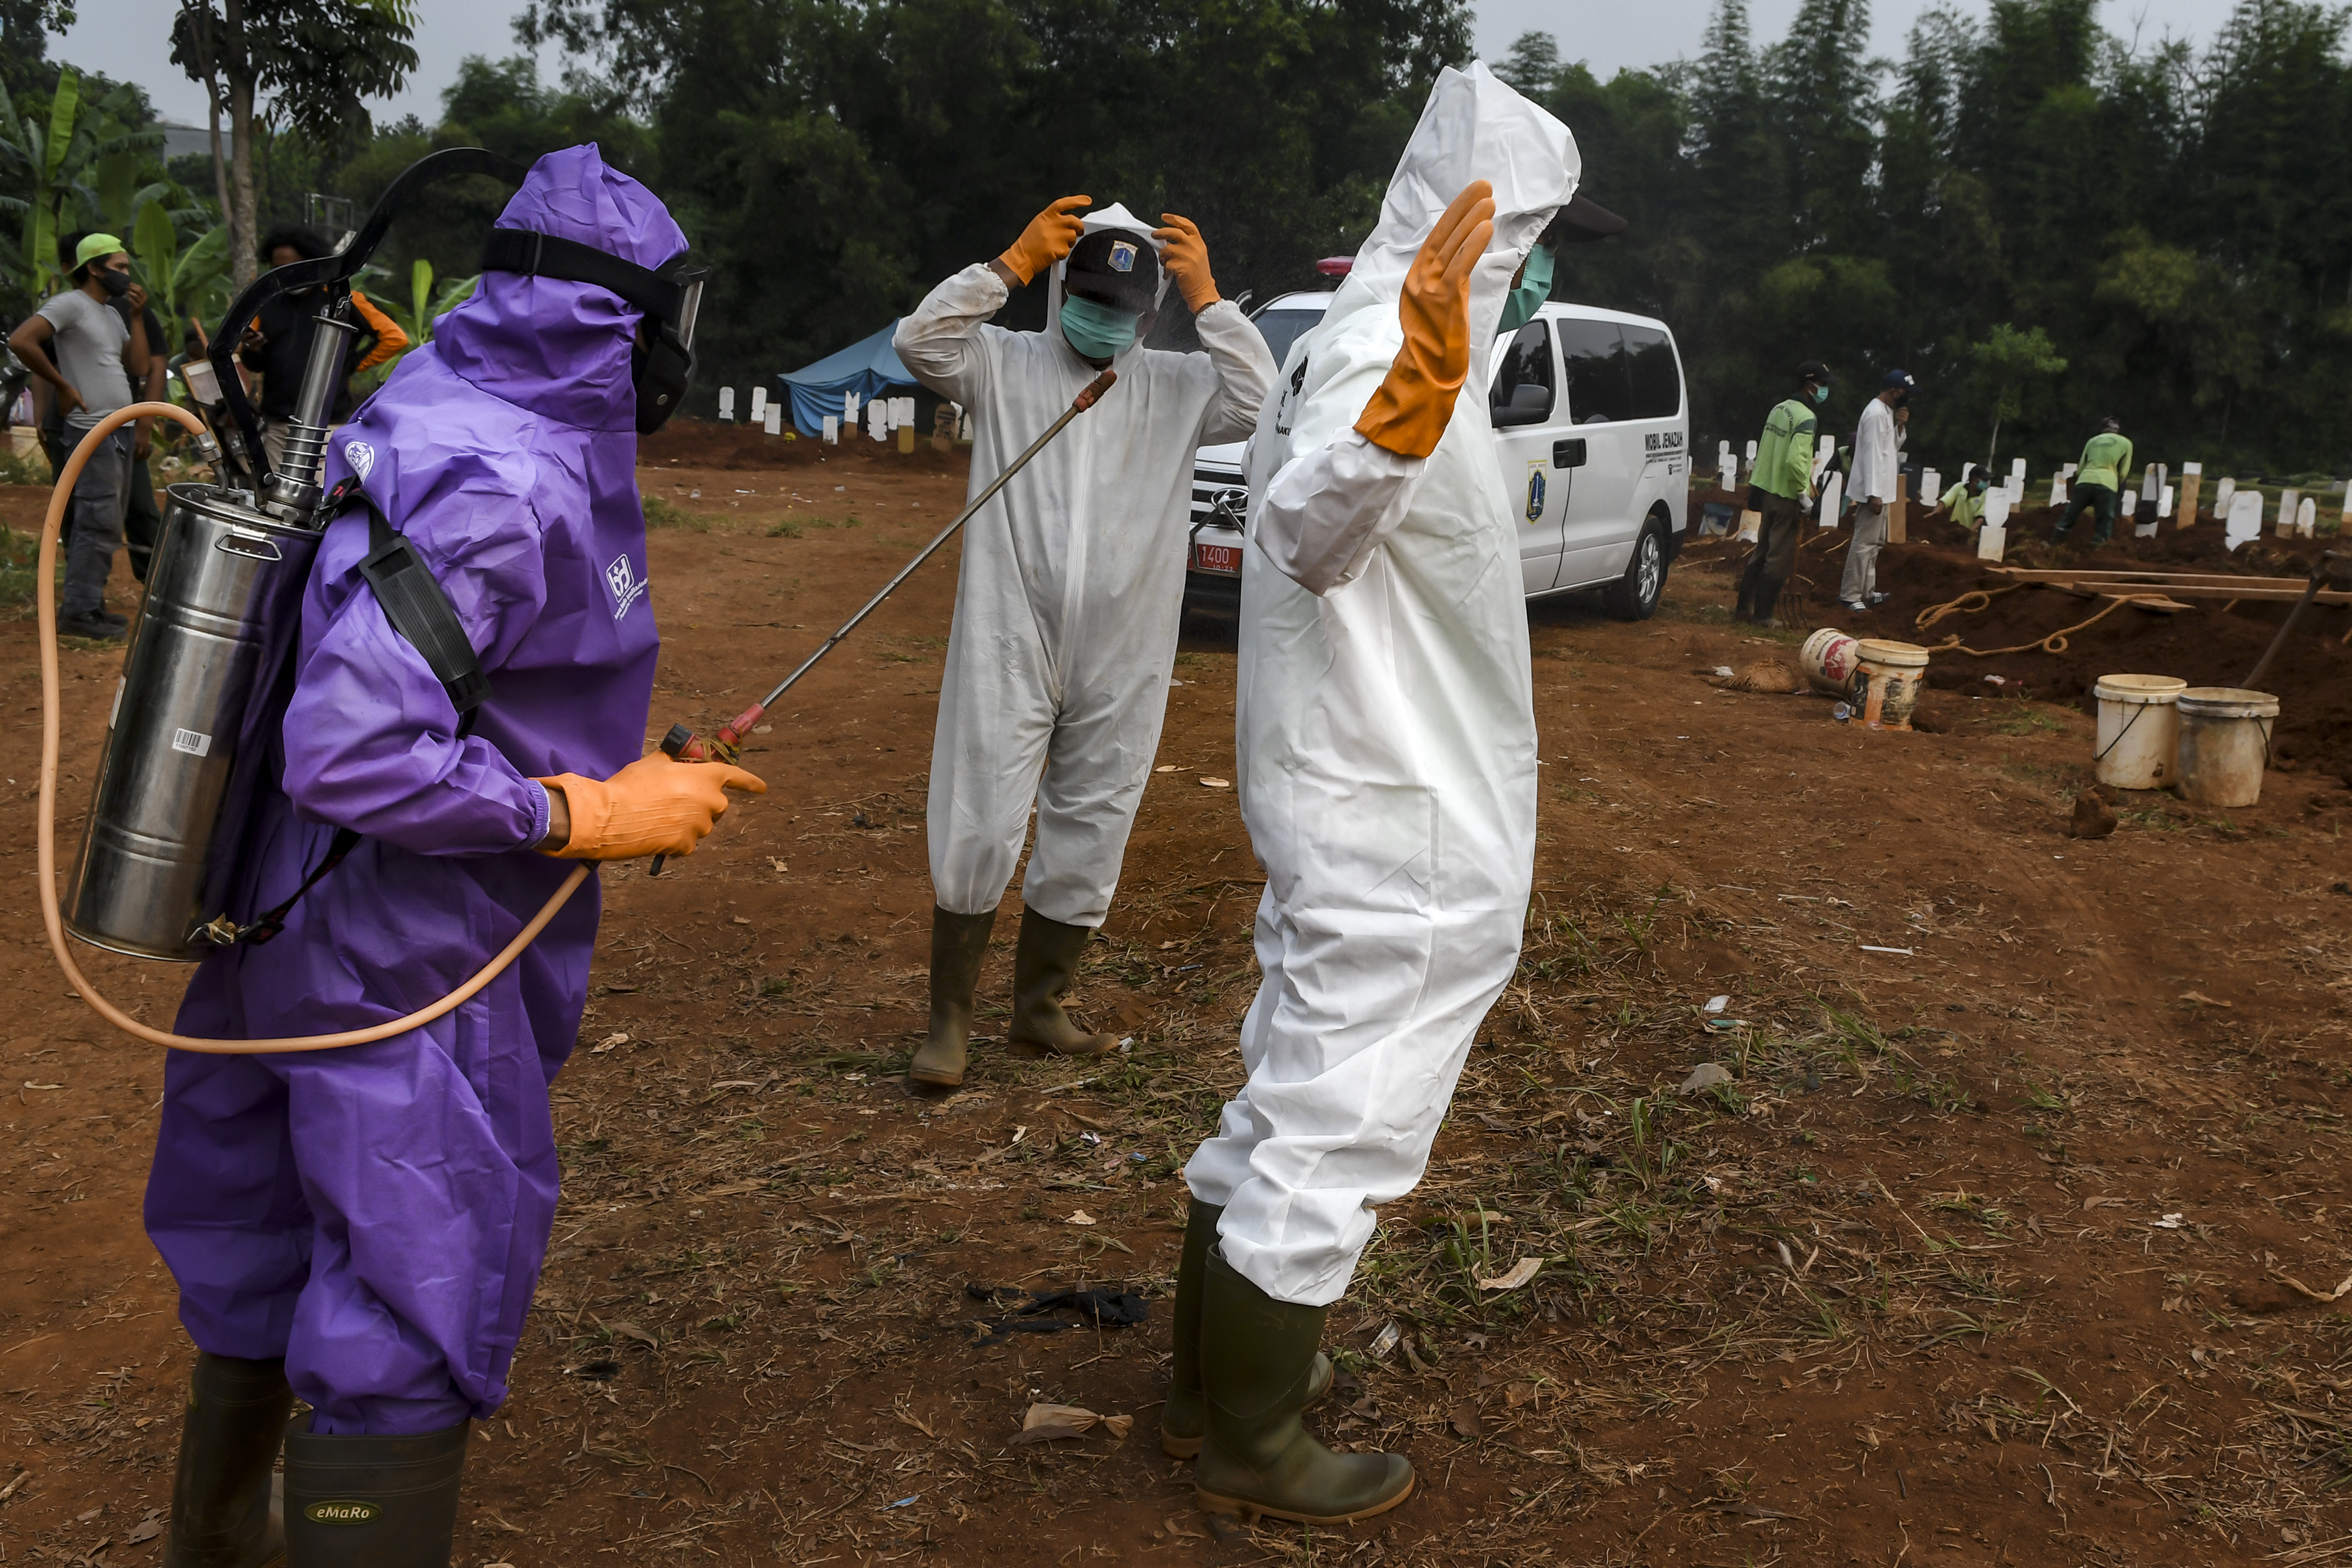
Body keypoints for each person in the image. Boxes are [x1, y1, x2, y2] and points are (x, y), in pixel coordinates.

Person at [143, 146, 761, 1568]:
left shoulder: (438, 398)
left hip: (284, 921)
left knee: (259, 1252)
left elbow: (468, 670)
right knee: (408, 1307)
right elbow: (354, 745)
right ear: (627, 322)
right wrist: (586, 817)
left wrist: (614, 771)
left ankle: (217, 1544)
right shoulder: (507, 477)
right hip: (407, 952)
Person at [1164, 62, 1576, 1527]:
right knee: (1336, 1124)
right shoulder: (1390, 346)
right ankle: (1255, 1439)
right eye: (1531, 236)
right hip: (1396, 813)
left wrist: (1425, 383)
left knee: (1283, 1095)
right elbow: (1300, 526)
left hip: (1351, 790)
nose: (1535, 268)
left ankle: (1210, 1382)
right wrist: (1410, 403)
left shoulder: (1386, 332)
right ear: (1484, 220)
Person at [893, 196, 1275, 1090]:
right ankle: (949, 1020)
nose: (1104, 319)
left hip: (1125, 645)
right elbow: (921, 342)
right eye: (1090, 297)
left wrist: (1210, 299)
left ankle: (1040, 1006)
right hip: (1010, 631)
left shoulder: (1177, 387)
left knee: (1096, 815)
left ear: (1149, 314)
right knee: (979, 811)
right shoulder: (1002, 363)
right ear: (1063, 288)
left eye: (1124, 309)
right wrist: (1008, 265)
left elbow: (1259, 399)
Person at [7, 233, 151, 638]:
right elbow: (21, 341)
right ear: (94, 268)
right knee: (96, 520)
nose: (126, 275)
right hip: (93, 430)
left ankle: (90, 605)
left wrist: (137, 317)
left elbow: (139, 366)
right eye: (119, 267)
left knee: (107, 522)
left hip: (119, 429)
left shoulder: (113, 315)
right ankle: (79, 612)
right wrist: (63, 386)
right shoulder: (70, 304)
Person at [238, 223, 409, 470]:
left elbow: (394, 337)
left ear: (312, 263)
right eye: (279, 268)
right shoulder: (268, 304)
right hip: (279, 424)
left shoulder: (341, 299)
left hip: (328, 424)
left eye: (294, 267)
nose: (287, 274)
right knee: (274, 489)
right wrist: (253, 349)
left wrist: (351, 364)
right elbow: (255, 362)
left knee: (320, 489)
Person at [1734, 361, 1829, 627]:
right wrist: (1803, 495)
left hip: (1766, 491)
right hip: (1787, 495)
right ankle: (1763, 615)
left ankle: (1743, 609)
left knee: (1762, 549)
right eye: (1822, 385)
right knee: (1778, 557)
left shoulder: (1778, 409)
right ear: (1810, 386)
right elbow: (1796, 461)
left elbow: (1769, 450)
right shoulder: (1806, 418)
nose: (1825, 390)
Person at [1839, 368, 1912, 613]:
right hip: (1874, 492)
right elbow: (1871, 455)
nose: (1907, 397)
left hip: (1883, 490)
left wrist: (1900, 426)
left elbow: (1890, 449)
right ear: (1893, 390)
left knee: (1875, 544)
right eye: (1904, 392)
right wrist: (1874, 494)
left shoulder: (1887, 413)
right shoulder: (1874, 414)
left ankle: (1867, 592)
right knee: (1864, 543)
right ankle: (1850, 595)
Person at [2055, 416, 2133, 546]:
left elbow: (2080, 469)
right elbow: (2124, 473)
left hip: (2084, 481)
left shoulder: (2091, 441)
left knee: (2070, 515)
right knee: (2105, 519)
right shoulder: (2127, 443)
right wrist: (2117, 486)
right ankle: (2097, 548)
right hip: (2107, 484)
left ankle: (2055, 543)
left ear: (2102, 428)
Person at [1939, 467, 1992, 532]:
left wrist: (1969, 532)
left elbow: (1981, 517)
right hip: (1953, 529)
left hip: (1970, 533)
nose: (1986, 483)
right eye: (1984, 480)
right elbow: (1945, 500)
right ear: (1974, 478)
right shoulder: (1959, 487)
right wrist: (1934, 513)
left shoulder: (1985, 496)